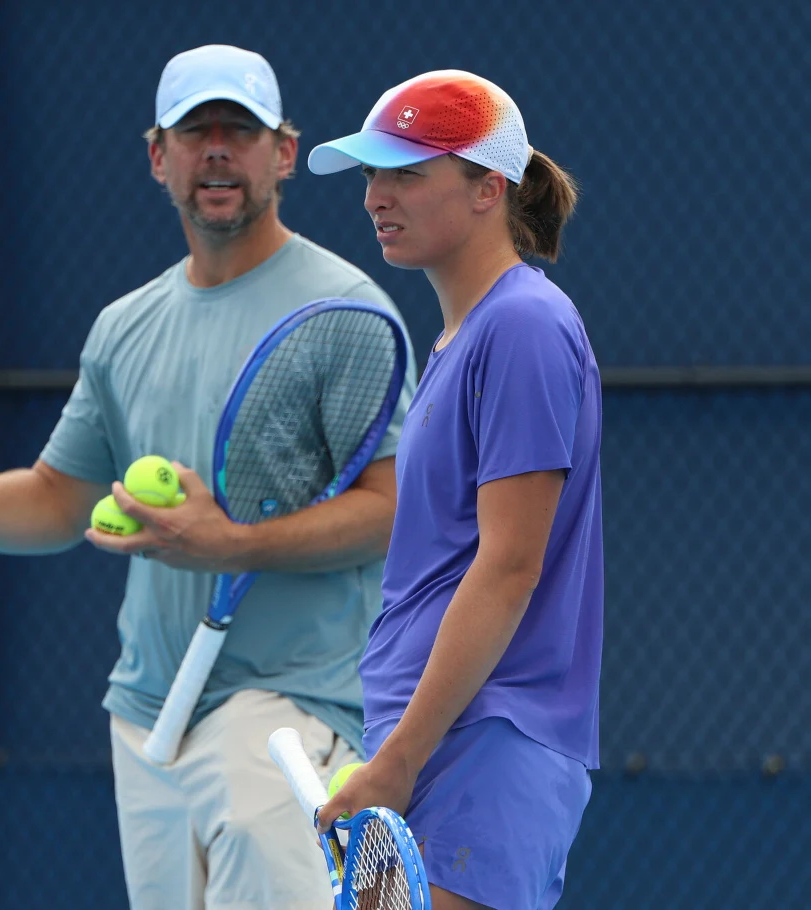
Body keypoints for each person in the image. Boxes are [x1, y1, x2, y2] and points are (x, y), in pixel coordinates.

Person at [0, 45, 415, 910]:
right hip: (146, 715)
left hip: (286, 709)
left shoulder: (345, 311)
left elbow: (393, 508)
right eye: (195, 132)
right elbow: (57, 497)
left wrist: (233, 542)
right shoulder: (123, 328)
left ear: (284, 154)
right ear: (159, 157)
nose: (217, 149)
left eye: (240, 130)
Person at [310, 71, 601, 910]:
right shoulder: (464, 337)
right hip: (434, 735)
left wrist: (399, 758)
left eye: (406, 172)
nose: (375, 196)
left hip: (484, 739)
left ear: (488, 188)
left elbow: (510, 567)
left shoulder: (523, 325)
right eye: (371, 174)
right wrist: (397, 747)